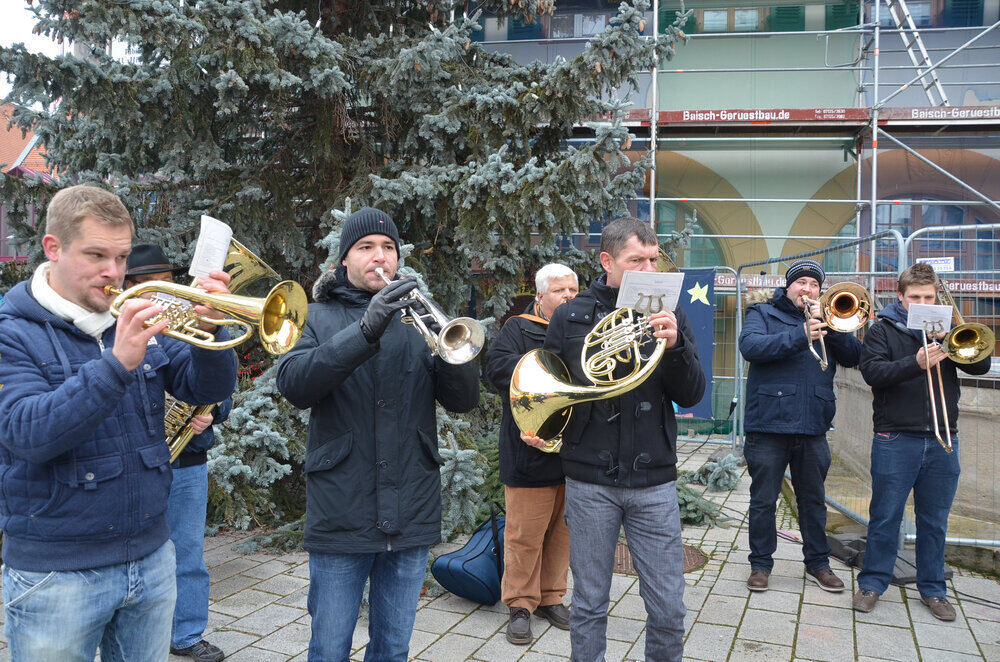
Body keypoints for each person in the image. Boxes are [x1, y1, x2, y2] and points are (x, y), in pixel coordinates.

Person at [0, 185, 238, 662]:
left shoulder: (126, 315)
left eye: (121, 256)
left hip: (151, 557)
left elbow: (204, 389)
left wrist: (212, 328)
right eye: (95, 255)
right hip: (59, 574)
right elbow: (27, 434)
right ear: (53, 248)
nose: (113, 272)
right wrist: (116, 364)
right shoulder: (12, 332)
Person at [275, 207, 480, 661]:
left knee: (393, 647)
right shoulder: (316, 315)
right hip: (341, 509)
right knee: (329, 647)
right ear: (343, 260)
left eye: (388, 247)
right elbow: (295, 385)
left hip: (410, 506)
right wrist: (366, 329)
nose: (379, 257)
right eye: (365, 247)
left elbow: (463, 402)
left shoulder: (418, 322)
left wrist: (455, 351)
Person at [522, 217, 706, 662]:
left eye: (652, 258)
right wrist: (540, 427)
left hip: (654, 478)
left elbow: (693, 392)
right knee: (588, 605)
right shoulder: (570, 314)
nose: (648, 267)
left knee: (668, 607)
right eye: (635, 260)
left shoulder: (670, 313)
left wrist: (676, 346)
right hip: (590, 479)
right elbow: (551, 386)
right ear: (607, 261)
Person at [853, 262, 990, 621]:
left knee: (935, 520)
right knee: (885, 517)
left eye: (929, 297)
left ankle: (933, 589)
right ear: (900, 296)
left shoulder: (947, 329)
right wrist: (915, 362)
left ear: (937, 297)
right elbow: (873, 374)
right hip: (895, 437)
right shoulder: (882, 329)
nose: (923, 303)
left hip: (943, 438)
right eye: (915, 297)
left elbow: (980, 368)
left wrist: (958, 333)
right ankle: (872, 584)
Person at [123, 244, 233, 662]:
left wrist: (213, 412)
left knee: (187, 553)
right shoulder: (118, 329)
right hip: (137, 462)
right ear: (129, 287)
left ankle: (186, 635)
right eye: (150, 286)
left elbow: (221, 386)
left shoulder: (185, 324)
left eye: (168, 284)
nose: (163, 294)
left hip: (187, 459)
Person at [738, 259, 861, 594]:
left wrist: (833, 324)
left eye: (814, 286)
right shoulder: (762, 313)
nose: (807, 290)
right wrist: (801, 333)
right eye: (802, 283)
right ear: (788, 286)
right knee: (763, 500)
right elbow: (751, 347)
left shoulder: (828, 319)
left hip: (813, 425)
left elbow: (853, 357)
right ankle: (761, 565)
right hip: (768, 425)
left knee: (813, 500)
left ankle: (818, 565)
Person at [485, 263, 578, 645]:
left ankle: (551, 597)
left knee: (562, 532)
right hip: (528, 448)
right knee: (524, 535)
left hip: (572, 449)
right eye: (560, 291)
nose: (570, 297)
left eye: (574, 290)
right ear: (540, 295)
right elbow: (495, 371)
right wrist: (548, 367)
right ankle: (521, 604)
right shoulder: (517, 328)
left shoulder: (581, 326)